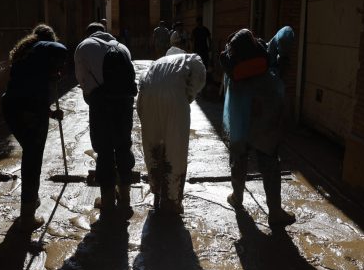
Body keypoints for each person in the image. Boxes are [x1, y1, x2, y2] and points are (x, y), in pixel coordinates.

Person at [220, 27, 296, 227]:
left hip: (241, 123)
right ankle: (275, 212)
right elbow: (286, 34)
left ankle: (237, 198)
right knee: (269, 164)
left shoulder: (233, 67)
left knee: (239, 159)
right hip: (265, 121)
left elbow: (227, 94)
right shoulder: (264, 57)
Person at [2, 24, 68, 230]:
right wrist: (56, 65)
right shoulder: (41, 50)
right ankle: (27, 215)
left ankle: (31, 202)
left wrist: (48, 112)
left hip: (12, 109)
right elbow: (62, 50)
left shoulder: (25, 56)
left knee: (30, 153)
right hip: (27, 112)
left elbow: (28, 94)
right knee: (32, 161)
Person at [74, 22, 138, 217]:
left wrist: (92, 98)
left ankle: (108, 200)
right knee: (123, 146)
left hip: (101, 104)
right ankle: (125, 199)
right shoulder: (122, 47)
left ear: (88, 33)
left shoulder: (84, 46)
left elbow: (82, 81)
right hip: (125, 104)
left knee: (104, 149)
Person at [137, 41, 206, 214]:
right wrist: (189, 96)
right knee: (175, 150)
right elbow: (200, 76)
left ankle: (157, 192)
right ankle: (173, 202)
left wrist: (145, 119)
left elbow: (142, 87)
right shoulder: (190, 59)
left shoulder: (155, 65)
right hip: (174, 99)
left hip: (149, 99)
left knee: (153, 148)